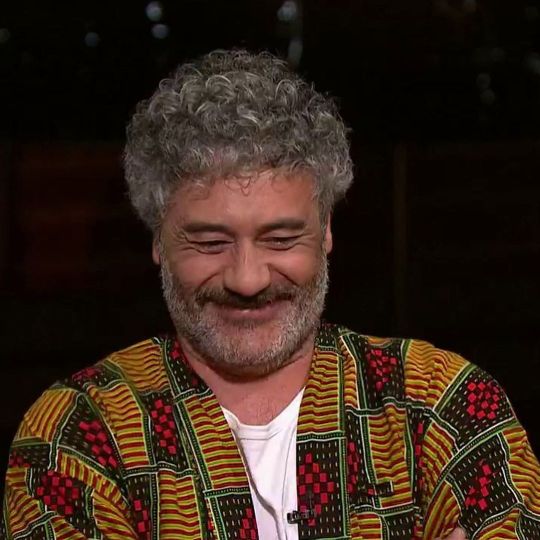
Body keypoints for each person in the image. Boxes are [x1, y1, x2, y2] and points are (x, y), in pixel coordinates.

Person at [1, 49, 539, 540]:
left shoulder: (441, 404)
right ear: (158, 241)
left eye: (280, 239)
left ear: (326, 231)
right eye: (210, 242)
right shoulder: (79, 434)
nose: (248, 279)